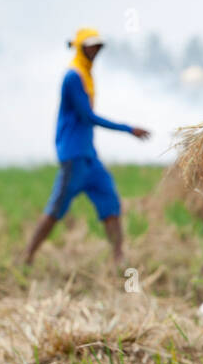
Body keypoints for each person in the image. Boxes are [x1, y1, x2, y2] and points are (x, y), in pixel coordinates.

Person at [19, 27, 150, 268]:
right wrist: (128, 129)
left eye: (98, 47)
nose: (96, 51)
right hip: (74, 155)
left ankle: (118, 259)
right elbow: (88, 116)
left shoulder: (87, 75)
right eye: (91, 46)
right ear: (81, 48)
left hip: (89, 156)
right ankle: (27, 256)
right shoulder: (73, 77)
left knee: (110, 202)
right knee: (55, 209)